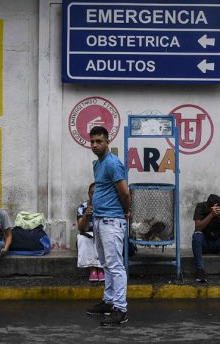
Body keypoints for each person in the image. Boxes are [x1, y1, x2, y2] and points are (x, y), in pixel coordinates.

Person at [84, 126, 131, 327]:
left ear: (107, 141)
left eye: (99, 141)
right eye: (92, 141)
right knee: (106, 264)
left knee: (115, 266)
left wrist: (126, 212)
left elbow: (125, 193)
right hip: (100, 220)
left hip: (112, 220)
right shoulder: (98, 164)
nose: (95, 145)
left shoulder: (113, 163)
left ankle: (121, 309)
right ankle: (109, 301)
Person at [192, 194, 220, 283]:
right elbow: (197, 227)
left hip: (218, 243)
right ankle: (200, 270)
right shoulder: (200, 206)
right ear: (210, 208)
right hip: (204, 244)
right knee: (196, 235)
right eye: (217, 209)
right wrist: (211, 215)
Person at [76, 183, 104, 282]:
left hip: (101, 233)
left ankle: (101, 269)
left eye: (97, 193)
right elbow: (81, 228)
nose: (94, 196)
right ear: (89, 194)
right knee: (82, 238)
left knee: (102, 237)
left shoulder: (105, 206)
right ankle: (92, 269)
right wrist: (85, 216)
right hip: (87, 234)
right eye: (92, 193)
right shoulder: (82, 207)